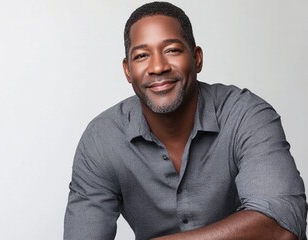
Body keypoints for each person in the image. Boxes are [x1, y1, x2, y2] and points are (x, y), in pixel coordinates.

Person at [64, 2, 307, 239]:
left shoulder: (245, 114)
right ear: (128, 70)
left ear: (197, 58)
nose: (158, 66)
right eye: (141, 56)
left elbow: (281, 225)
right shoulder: (102, 139)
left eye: (172, 50)